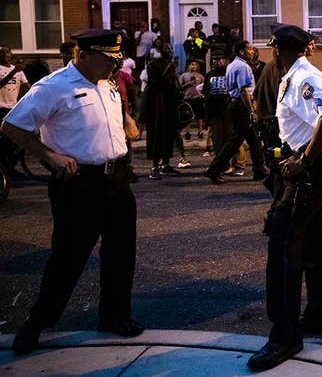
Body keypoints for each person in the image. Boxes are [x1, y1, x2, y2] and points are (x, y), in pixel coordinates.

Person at [3, 29, 142, 356]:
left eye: (117, 59)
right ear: (85, 54)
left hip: (117, 180)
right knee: (68, 259)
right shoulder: (53, 87)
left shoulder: (107, 82)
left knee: (121, 254)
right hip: (79, 184)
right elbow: (11, 125)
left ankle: (114, 317)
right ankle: (36, 324)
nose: (115, 65)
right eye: (109, 59)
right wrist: (49, 156)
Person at [246, 24, 322, 371]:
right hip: (304, 168)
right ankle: (317, 314)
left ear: (279, 51)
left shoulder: (305, 77)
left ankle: (284, 337)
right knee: (312, 245)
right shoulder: (295, 75)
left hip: (305, 173)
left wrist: (304, 159)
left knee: (283, 251)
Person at [203, 41, 268, 183]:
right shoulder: (243, 66)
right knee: (235, 141)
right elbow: (243, 90)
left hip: (235, 104)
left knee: (254, 139)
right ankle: (214, 169)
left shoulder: (232, 65)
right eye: (249, 49)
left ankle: (259, 169)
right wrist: (251, 110)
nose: (252, 51)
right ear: (241, 52)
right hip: (242, 105)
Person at [143, 40, 182, 179]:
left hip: (169, 103)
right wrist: (171, 69)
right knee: (157, 134)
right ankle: (155, 166)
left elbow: (173, 85)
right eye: (166, 48)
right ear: (160, 50)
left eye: (170, 48)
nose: (170, 51)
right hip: (158, 104)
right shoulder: (154, 65)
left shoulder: (169, 65)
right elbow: (158, 83)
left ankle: (165, 163)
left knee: (169, 134)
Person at [0, 46, 30, 176]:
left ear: (10, 54)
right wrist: (14, 72)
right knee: (5, 141)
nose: (4, 54)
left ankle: (11, 167)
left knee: (16, 141)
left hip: (13, 108)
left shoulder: (18, 70)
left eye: (6, 52)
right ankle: (6, 169)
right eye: (1, 52)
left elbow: (27, 87)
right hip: (1, 108)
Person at [179, 60, 205, 142]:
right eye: (192, 64)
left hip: (197, 98)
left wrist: (201, 94)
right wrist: (187, 84)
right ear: (188, 66)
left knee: (199, 115)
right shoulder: (184, 76)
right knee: (188, 116)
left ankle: (200, 132)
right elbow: (179, 87)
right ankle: (187, 133)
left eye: (195, 65)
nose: (194, 66)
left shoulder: (200, 76)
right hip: (187, 98)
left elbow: (204, 86)